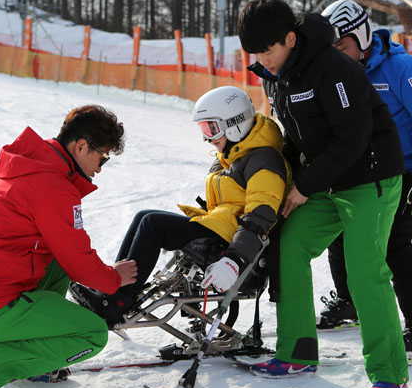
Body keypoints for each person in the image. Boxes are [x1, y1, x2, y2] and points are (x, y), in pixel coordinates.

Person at [238, 0, 409, 388]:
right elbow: (295, 135)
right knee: (289, 246)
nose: (264, 59)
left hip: (370, 179)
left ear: (291, 38)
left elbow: (352, 138)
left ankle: (389, 371)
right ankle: (296, 352)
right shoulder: (277, 74)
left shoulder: (334, 69)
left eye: (268, 49)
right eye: (256, 52)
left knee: (364, 270)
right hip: (325, 183)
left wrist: (303, 187)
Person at [0, 105, 137, 388]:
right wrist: (114, 279)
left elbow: (66, 255)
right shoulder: (50, 185)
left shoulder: (28, 168)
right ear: (81, 146)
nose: (100, 167)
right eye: (103, 157)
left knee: (56, 259)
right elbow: (78, 257)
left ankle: (35, 359)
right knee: (92, 333)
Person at [318, 0, 412, 356]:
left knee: (393, 245)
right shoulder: (340, 72)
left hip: (409, 172)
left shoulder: (401, 69)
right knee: (341, 233)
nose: (338, 53)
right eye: (332, 47)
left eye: (343, 44)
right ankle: (350, 301)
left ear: (363, 35)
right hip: (368, 173)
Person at [79, 86, 288, 327]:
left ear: (235, 123)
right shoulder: (235, 154)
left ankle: (117, 302)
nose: (207, 137)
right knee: (144, 216)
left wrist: (234, 259)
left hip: (233, 247)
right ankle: (113, 290)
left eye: (211, 128)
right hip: (221, 232)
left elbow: (260, 215)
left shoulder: (263, 160)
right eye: (204, 129)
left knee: (153, 225)